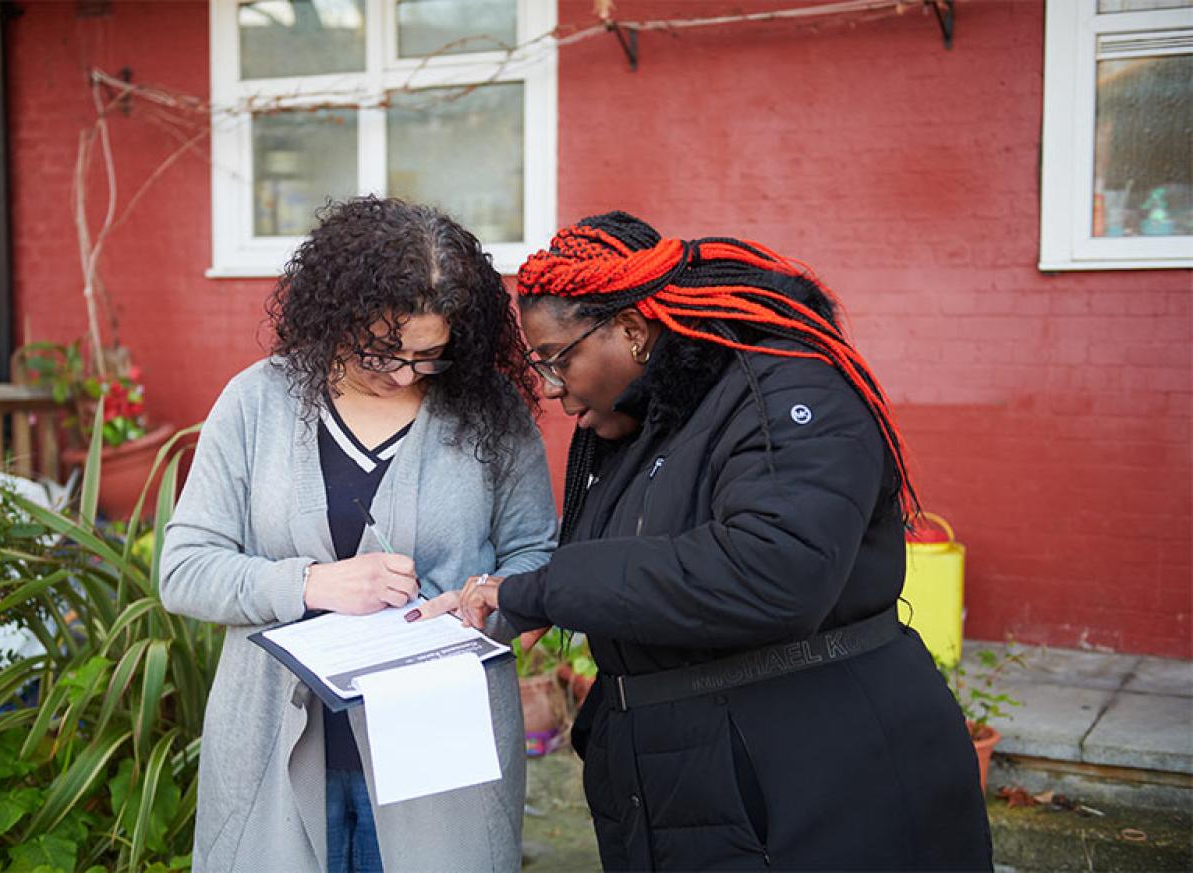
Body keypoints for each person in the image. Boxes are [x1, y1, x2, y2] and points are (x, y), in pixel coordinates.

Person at [432, 212, 993, 870]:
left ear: (635, 330)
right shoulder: (642, 418)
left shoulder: (785, 389)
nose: (554, 392)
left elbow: (772, 571)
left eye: (559, 360)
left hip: (818, 792)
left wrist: (546, 590)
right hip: (694, 801)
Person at [160, 197, 557, 873]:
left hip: (440, 756)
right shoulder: (257, 403)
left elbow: (534, 555)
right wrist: (309, 582)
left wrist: (492, 603)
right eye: (381, 352)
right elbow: (184, 569)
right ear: (335, 314)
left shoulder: (489, 410)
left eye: (427, 355)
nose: (404, 374)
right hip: (272, 750)